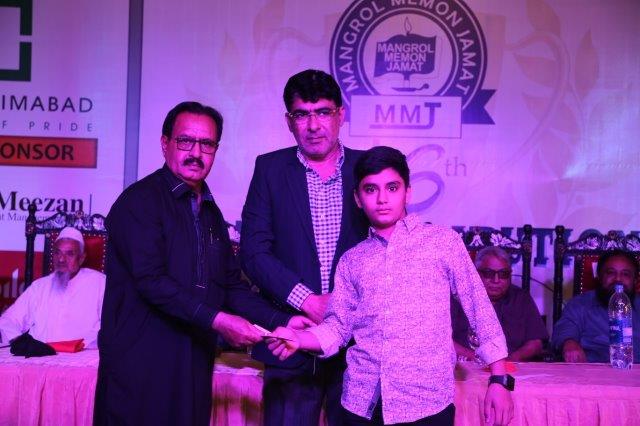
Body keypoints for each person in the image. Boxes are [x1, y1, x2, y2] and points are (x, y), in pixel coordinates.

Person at [94, 101, 308, 426]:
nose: (196, 153)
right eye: (185, 141)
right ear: (165, 143)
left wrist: (284, 320)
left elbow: (231, 286)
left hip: (193, 361)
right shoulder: (139, 202)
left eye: (207, 144)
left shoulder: (209, 211)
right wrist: (219, 321)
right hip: (141, 364)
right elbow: (152, 281)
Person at [268, 146, 514, 426]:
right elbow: (337, 327)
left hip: (426, 404)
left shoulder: (442, 242)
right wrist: (299, 339)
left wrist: (499, 379)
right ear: (358, 198)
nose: (382, 199)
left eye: (392, 188)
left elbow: (478, 306)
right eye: (371, 189)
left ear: (408, 192)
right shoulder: (352, 260)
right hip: (360, 405)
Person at [240, 69, 369, 425]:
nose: (313, 125)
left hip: (358, 345)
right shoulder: (269, 169)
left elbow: (387, 249)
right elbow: (253, 252)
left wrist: (342, 306)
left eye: (323, 112)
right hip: (290, 338)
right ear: (289, 121)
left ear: (340, 115)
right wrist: (308, 301)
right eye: (302, 114)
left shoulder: (367, 169)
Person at [0, 227, 105, 347]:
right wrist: (19, 342)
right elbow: (9, 319)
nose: (61, 259)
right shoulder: (39, 287)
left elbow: (110, 326)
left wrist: (83, 345)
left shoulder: (100, 283)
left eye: (69, 254)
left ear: (81, 258)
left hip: (85, 354)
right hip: (42, 355)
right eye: (57, 252)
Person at [451, 246, 548, 362]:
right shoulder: (458, 298)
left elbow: (536, 342)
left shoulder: (521, 299)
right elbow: (442, 340)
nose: (496, 280)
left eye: (503, 274)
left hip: (512, 366)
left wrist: (510, 361)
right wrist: (475, 358)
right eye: (488, 273)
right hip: (466, 366)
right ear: (476, 273)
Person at [552, 250, 640, 363]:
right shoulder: (580, 304)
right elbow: (565, 329)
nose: (618, 279)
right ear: (599, 276)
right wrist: (569, 343)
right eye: (611, 273)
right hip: (592, 368)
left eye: (625, 274)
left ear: (635, 280)